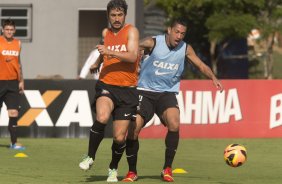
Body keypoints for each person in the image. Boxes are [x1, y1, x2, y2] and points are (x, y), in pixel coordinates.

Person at [120, 19, 223, 182]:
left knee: (174, 123)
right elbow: (132, 47)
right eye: (177, 32)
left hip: (166, 94)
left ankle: (167, 168)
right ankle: (132, 171)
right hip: (144, 92)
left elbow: (201, 65)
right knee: (133, 128)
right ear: (169, 30)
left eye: (182, 33)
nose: (179, 36)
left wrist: (213, 77)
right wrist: (136, 52)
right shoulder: (152, 42)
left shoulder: (185, 49)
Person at [78, 0, 139, 182]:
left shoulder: (131, 31)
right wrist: (97, 63)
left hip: (128, 90)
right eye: (113, 15)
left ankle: (113, 167)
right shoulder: (106, 33)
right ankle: (90, 156)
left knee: (120, 137)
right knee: (102, 117)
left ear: (125, 15)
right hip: (107, 84)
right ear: (108, 16)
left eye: (120, 15)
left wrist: (110, 52)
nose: (117, 18)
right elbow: (104, 52)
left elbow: (132, 56)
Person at [0, 19, 25, 150]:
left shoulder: (18, 43)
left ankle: (14, 143)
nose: (9, 32)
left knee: (14, 113)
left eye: (11, 29)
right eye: (7, 29)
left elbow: (19, 63)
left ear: (14, 30)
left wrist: (21, 80)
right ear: (2, 30)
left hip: (13, 83)